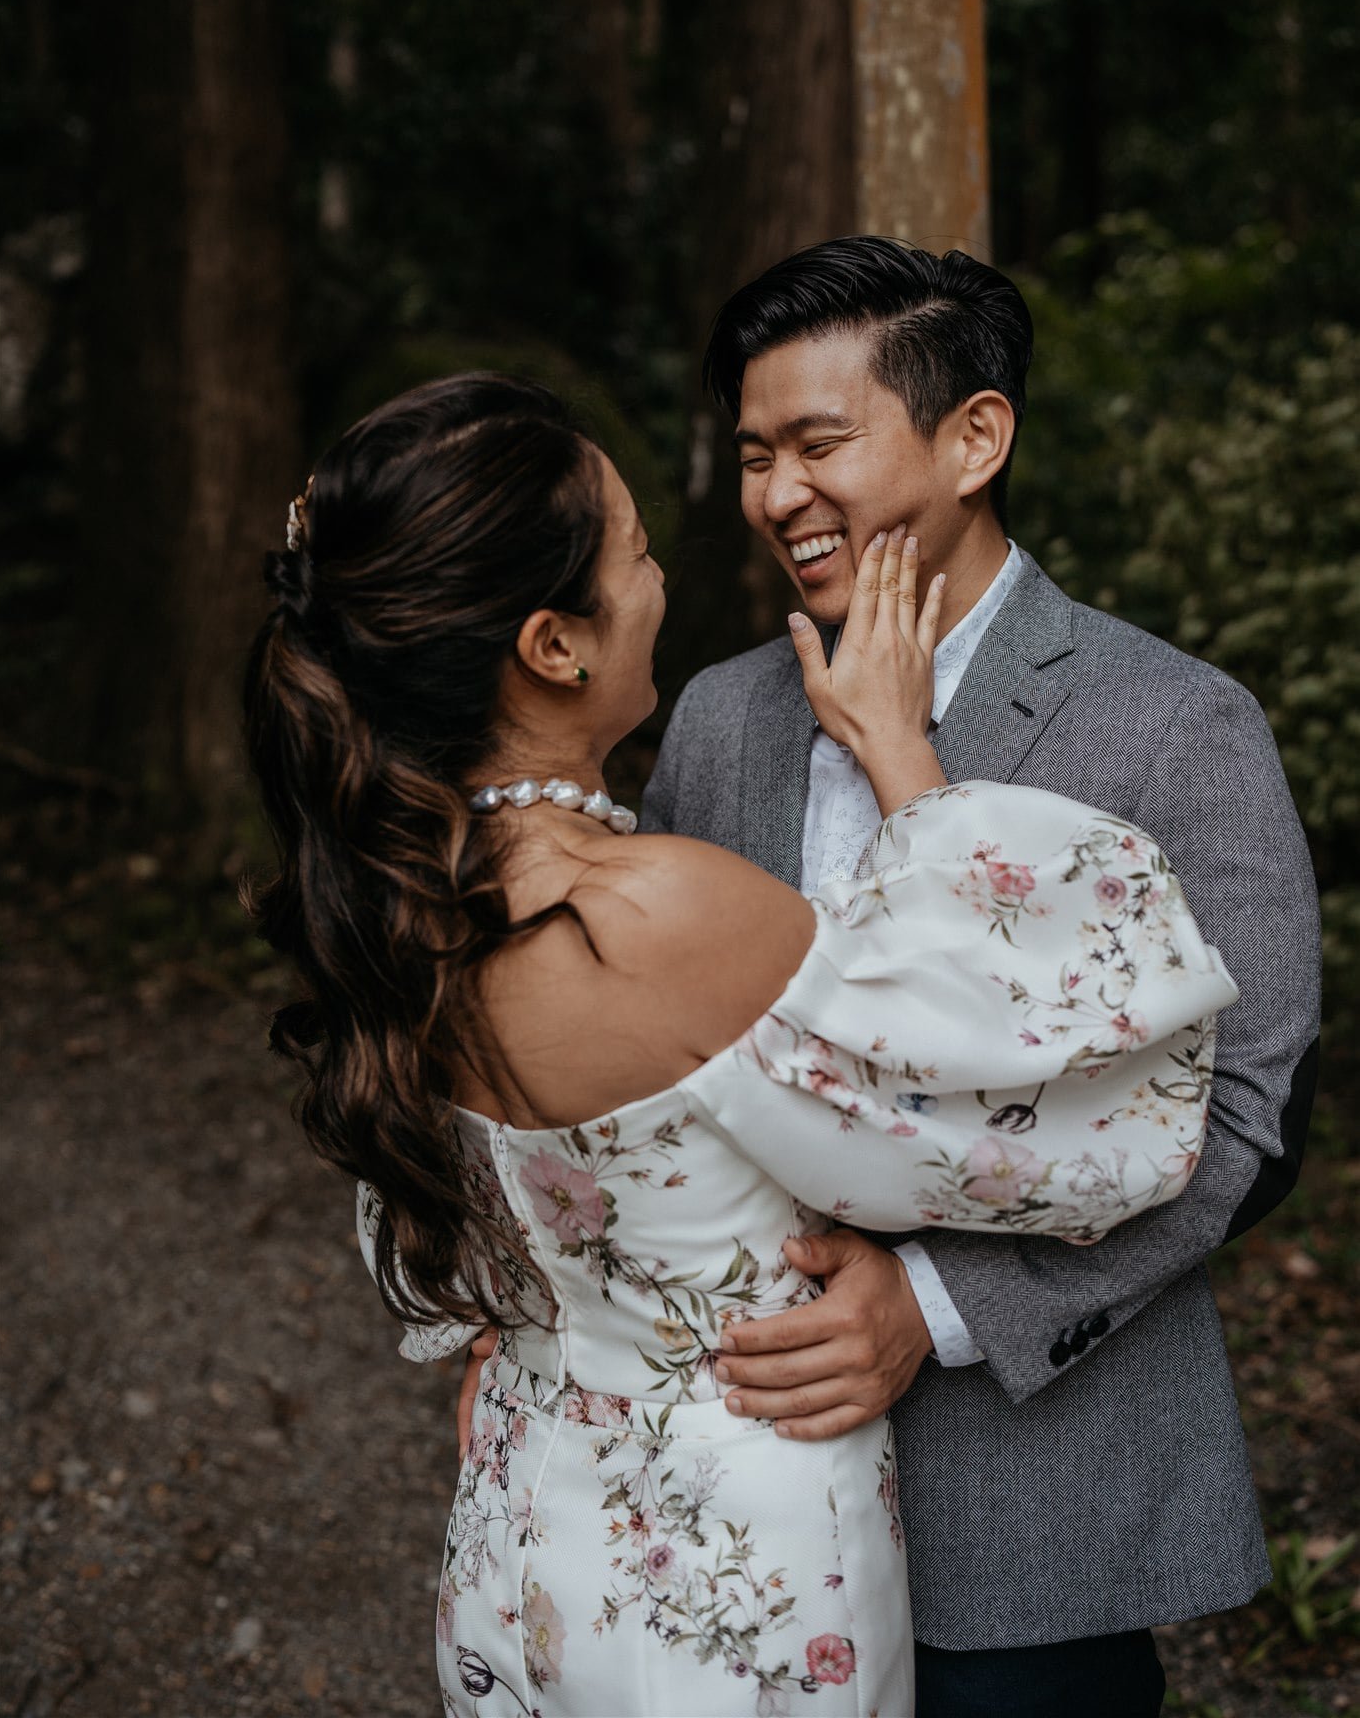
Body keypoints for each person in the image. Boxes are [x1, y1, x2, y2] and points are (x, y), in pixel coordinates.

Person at [246, 371, 1238, 1718]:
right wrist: (905, 768)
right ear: (553, 645)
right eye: (638, 554)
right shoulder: (643, 910)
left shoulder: (399, 904)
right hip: (728, 1576)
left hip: (527, 1536)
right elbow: (1044, 1084)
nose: (664, 583)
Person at [641, 237, 1322, 1717]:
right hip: (736, 1472)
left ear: (975, 437)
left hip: (1028, 1494)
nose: (775, 496)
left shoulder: (1175, 725)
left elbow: (1245, 1122)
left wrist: (935, 1309)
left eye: (818, 443)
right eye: (754, 455)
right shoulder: (716, 719)